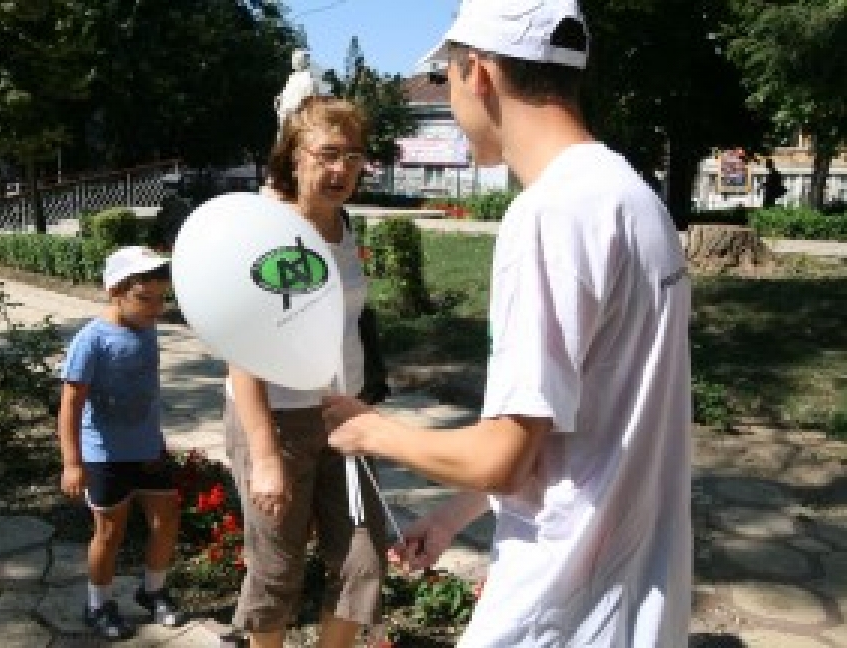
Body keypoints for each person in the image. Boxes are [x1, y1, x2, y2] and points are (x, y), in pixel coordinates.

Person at [322, 1, 692, 646]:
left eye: (447, 77)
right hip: (636, 602)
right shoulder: (631, 195)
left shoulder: (547, 215)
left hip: (559, 607)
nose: (454, 95)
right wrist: (453, 516)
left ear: (482, 74)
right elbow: (565, 423)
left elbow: (502, 459)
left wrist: (372, 431)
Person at [220, 95, 387, 648]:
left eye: (354, 156)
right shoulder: (269, 231)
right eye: (328, 154)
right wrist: (265, 456)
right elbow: (242, 349)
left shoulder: (345, 226)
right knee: (276, 567)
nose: (342, 170)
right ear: (294, 157)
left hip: (344, 419)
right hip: (275, 420)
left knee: (362, 559)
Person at [58, 246, 183, 641]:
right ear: (114, 290)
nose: (155, 308)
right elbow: (70, 404)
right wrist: (72, 462)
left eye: (162, 298)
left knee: (166, 522)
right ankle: (97, 605)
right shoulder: (91, 340)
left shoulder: (146, 327)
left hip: (149, 448)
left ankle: (153, 590)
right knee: (109, 534)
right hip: (105, 456)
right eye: (145, 298)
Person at [274, 49, 321, 133]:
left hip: (297, 114)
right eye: (293, 59)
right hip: (286, 113)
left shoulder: (308, 77)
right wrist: (279, 98)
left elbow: (311, 96)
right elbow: (285, 92)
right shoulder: (292, 77)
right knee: (283, 135)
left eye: (295, 59)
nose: (293, 62)